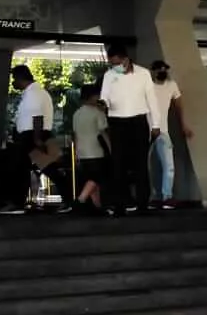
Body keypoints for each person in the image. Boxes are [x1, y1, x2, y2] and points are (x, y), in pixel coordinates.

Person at [99, 42, 161, 216]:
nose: (114, 66)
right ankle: (120, 204)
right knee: (118, 164)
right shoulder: (109, 75)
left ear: (125, 59)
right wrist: (104, 103)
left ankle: (142, 203)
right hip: (117, 122)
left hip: (138, 121)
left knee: (141, 163)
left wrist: (155, 125)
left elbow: (152, 100)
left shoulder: (143, 74)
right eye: (112, 64)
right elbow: (105, 98)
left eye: (117, 63)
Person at [0, 64, 69, 213]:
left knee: (22, 168)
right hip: (33, 135)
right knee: (47, 168)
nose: (13, 83)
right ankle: (69, 199)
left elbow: (37, 116)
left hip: (33, 135)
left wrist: (37, 139)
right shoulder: (33, 93)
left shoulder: (34, 94)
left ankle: (17, 203)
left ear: (20, 78)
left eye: (14, 79)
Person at [148, 60, 192, 208]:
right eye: (159, 70)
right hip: (146, 130)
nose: (162, 72)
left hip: (163, 131)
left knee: (169, 165)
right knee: (144, 165)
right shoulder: (147, 86)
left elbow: (179, 104)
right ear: (153, 71)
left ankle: (167, 196)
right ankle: (151, 196)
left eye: (164, 70)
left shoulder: (171, 85)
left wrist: (184, 125)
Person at [71, 83, 109, 212]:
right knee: (97, 177)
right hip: (96, 150)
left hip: (82, 151)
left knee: (91, 178)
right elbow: (103, 132)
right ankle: (80, 200)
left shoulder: (77, 114)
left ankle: (97, 206)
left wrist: (76, 152)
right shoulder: (97, 113)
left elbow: (75, 134)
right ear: (92, 96)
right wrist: (111, 148)